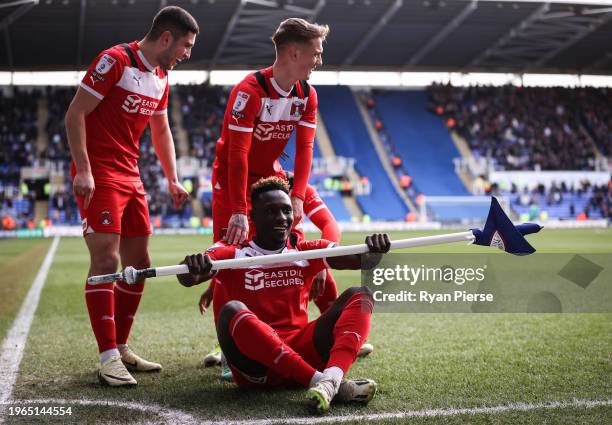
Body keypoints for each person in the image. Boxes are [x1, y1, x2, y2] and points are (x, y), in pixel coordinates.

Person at [65, 6, 198, 386]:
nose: (187, 54)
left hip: (130, 175)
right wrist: (85, 169)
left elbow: (161, 130)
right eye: (186, 46)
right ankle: (107, 357)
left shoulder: (160, 77)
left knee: (139, 263)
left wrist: (172, 178)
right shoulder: (114, 61)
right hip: (100, 173)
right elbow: (75, 114)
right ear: (167, 38)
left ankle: (121, 346)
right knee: (107, 258)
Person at [178, 177, 390, 413]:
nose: (281, 218)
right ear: (253, 217)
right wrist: (192, 266)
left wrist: (374, 251)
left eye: (286, 210)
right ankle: (323, 382)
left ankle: (330, 379)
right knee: (232, 310)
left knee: (360, 295)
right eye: (270, 211)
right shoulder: (234, 253)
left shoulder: (303, 250)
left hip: (303, 350)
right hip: (257, 368)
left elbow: (356, 260)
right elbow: (187, 278)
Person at [212, 18, 328, 245]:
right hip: (232, 182)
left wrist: (298, 196)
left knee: (285, 254)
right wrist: (238, 210)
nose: (320, 61)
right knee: (231, 258)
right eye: (316, 54)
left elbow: (305, 149)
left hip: (270, 180)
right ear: (294, 53)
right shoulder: (250, 92)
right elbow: (238, 153)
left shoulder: (307, 95)